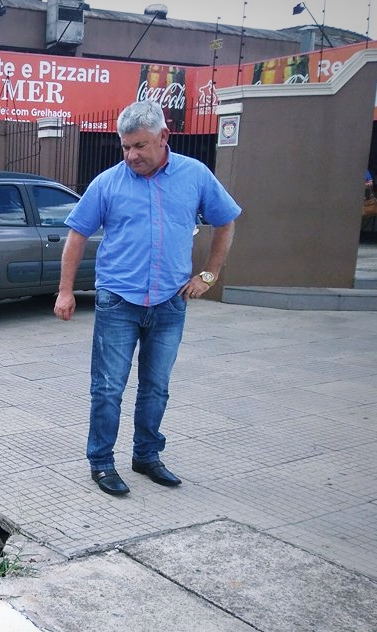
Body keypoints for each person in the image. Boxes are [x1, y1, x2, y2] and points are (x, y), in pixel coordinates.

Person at [54, 99, 241, 496]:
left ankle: (146, 456)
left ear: (163, 137)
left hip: (171, 303)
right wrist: (66, 291)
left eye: (139, 145)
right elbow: (76, 236)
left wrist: (208, 275)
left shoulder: (195, 176)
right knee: (107, 388)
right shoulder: (107, 183)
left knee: (156, 386)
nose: (131, 155)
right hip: (118, 302)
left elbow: (225, 221)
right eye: (125, 146)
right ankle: (102, 463)